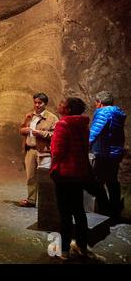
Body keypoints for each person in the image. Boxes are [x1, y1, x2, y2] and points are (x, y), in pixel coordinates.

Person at [50, 97, 98, 260]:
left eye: (62, 103)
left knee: (64, 213)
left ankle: (63, 251)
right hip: (79, 173)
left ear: (68, 110)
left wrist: (54, 167)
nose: (59, 105)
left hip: (64, 174)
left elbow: (57, 151)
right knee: (79, 211)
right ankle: (82, 246)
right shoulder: (83, 126)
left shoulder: (62, 124)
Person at [89, 91, 127, 221]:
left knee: (96, 183)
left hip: (103, 153)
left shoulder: (103, 112)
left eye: (96, 102)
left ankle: (105, 211)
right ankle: (115, 210)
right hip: (115, 153)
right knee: (112, 182)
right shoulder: (117, 113)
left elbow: (95, 130)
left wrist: (86, 144)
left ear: (99, 102)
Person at [19, 93, 59, 207]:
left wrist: (40, 133)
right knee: (30, 177)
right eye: (35, 102)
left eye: (40, 103)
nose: (37, 105)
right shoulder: (29, 116)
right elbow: (21, 129)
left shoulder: (52, 118)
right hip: (30, 150)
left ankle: (47, 203)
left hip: (44, 151)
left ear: (45, 104)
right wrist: (23, 130)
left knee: (45, 178)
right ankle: (31, 200)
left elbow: (55, 135)